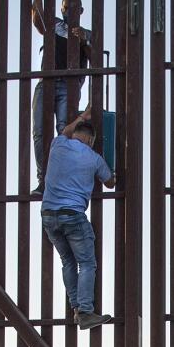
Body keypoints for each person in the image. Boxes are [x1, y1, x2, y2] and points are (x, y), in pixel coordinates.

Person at [42, 107, 115, 329]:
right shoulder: (94, 158)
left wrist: (83, 116)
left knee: (67, 261)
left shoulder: (59, 144)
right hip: (73, 215)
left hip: (48, 216)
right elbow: (110, 182)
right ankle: (84, 310)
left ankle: (76, 308)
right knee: (87, 263)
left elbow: (65, 130)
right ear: (91, 140)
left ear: (75, 133)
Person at [28, 0, 94, 191]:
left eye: (74, 8)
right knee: (39, 130)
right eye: (66, 8)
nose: (69, 11)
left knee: (64, 131)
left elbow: (97, 61)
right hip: (46, 82)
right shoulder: (55, 25)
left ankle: (63, 180)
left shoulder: (87, 34)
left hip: (68, 86)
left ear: (81, 11)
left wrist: (84, 39)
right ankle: (43, 179)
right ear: (62, 10)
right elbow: (37, 19)